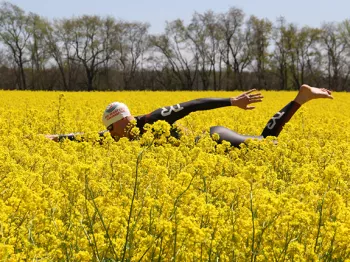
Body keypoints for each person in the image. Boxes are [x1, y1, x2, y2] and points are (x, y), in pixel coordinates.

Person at [46, 84, 333, 147]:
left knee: (264, 144)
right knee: (265, 145)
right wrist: (53, 137)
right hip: (204, 155)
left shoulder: (151, 119)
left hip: (213, 139)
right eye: (114, 130)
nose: (118, 131)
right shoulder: (115, 138)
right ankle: (301, 98)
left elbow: (191, 104)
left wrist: (232, 100)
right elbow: (82, 139)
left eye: (119, 125)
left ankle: (300, 99)